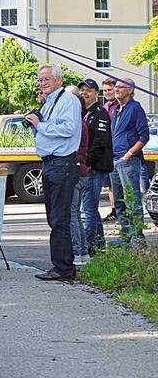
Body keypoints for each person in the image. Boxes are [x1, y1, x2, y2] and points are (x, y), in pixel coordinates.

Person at [26, 65, 81, 281]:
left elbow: (68, 130)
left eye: (46, 79)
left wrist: (40, 125)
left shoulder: (68, 100)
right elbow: (46, 130)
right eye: (40, 80)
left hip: (62, 163)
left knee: (60, 218)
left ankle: (63, 268)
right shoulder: (49, 102)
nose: (42, 83)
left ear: (58, 80)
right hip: (50, 164)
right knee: (54, 218)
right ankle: (61, 266)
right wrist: (35, 125)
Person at [109, 78, 149, 244]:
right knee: (118, 199)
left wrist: (129, 154)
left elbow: (144, 135)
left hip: (128, 160)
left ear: (130, 90)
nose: (116, 90)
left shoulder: (135, 108)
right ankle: (126, 234)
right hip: (114, 159)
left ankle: (137, 236)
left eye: (120, 87)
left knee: (131, 197)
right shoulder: (116, 109)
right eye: (115, 87)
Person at [78, 78, 112, 255]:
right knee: (90, 207)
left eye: (88, 90)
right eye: (82, 90)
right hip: (87, 165)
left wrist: (88, 163)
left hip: (95, 166)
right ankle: (99, 245)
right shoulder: (83, 112)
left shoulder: (100, 112)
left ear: (96, 93)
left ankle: (92, 246)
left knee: (88, 208)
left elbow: (100, 141)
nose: (84, 93)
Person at [64, 86, 89, 266]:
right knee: (75, 213)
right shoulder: (81, 121)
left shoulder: (76, 124)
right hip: (82, 171)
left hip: (76, 171)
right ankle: (83, 251)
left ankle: (78, 252)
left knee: (72, 214)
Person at [100, 78, 118, 222]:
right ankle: (114, 210)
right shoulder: (105, 107)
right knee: (109, 184)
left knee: (119, 184)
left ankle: (122, 210)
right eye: (104, 90)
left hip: (118, 150)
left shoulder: (120, 106)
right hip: (107, 151)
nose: (107, 93)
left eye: (109, 90)